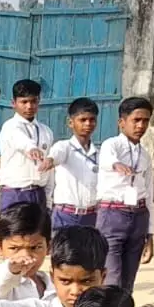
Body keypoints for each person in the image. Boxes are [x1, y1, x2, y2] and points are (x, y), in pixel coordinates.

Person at [95, 97, 154, 291]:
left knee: (129, 279)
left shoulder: (145, 155)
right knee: (111, 277)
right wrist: (116, 165)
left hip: (138, 215)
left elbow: (149, 194)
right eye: (136, 120)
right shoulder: (111, 145)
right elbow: (107, 159)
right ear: (122, 122)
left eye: (145, 121)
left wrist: (150, 233)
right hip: (113, 214)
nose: (141, 126)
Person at [41, 97, 100, 229]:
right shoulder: (64, 146)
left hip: (91, 215)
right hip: (66, 215)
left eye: (92, 120)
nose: (88, 124)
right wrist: (50, 160)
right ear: (70, 122)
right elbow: (57, 154)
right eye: (83, 120)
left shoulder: (97, 153)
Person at [0, 79, 53, 210]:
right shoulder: (10, 126)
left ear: (39, 101)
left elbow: (50, 169)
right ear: (14, 103)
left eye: (33, 101)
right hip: (15, 193)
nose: (29, 106)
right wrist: (31, 147)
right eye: (24, 102)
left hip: (39, 192)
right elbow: (20, 140)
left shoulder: (46, 131)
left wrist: (49, 200)